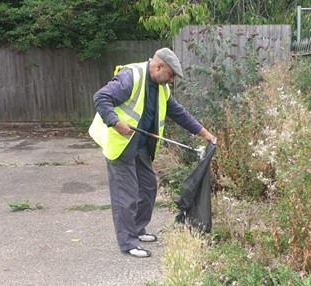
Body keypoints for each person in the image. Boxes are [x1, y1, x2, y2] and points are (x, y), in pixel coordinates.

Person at [89, 47, 216, 258]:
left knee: (148, 187)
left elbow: (179, 113)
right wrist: (115, 123)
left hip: (139, 146)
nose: (172, 80)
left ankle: (138, 229)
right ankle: (128, 242)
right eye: (171, 75)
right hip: (120, 144)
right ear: (159, 67)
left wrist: (204, 133)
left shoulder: (161, 87)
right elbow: (101, 97)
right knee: (126, 195)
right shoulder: (131, 77)